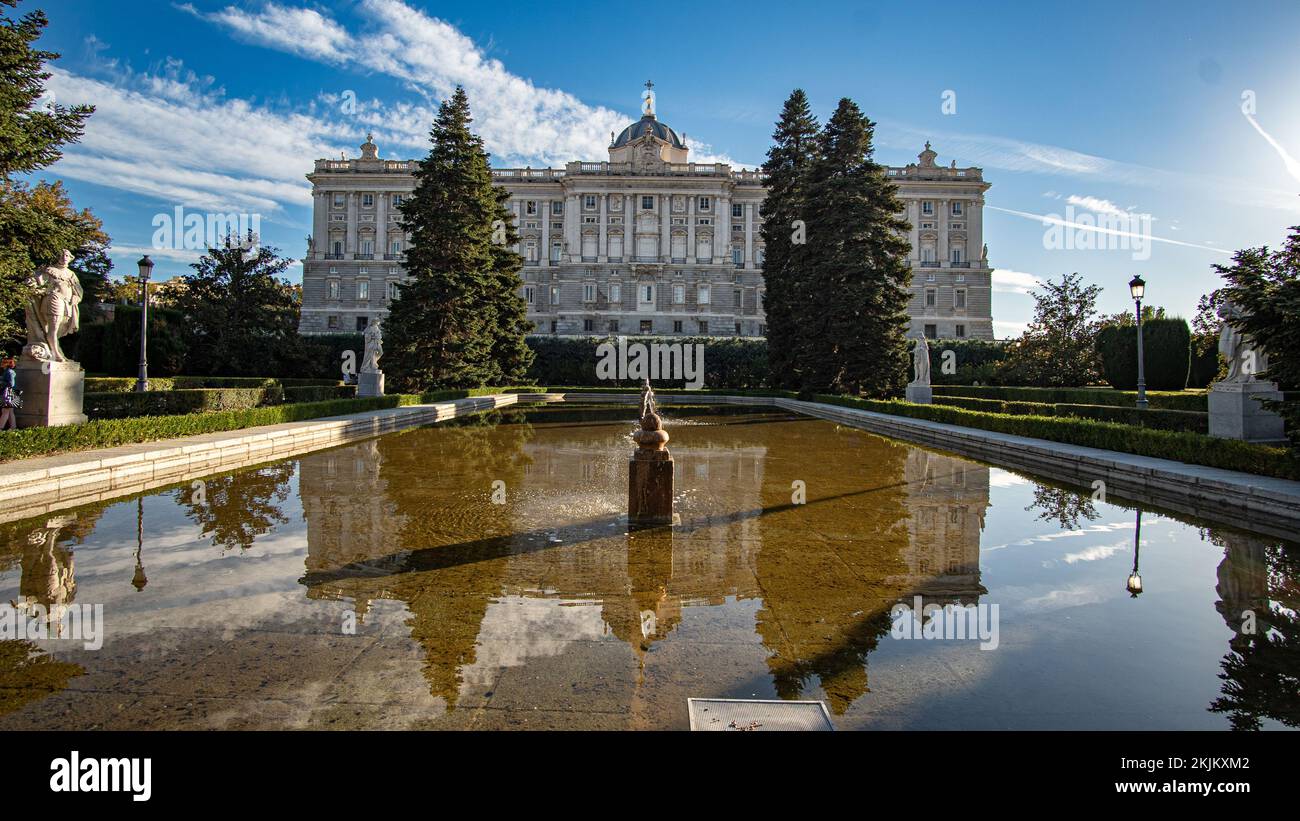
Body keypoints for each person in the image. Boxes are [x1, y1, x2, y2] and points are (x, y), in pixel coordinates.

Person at [1, 357, 19, 430]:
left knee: (5, 411)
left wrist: (1, 382)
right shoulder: (8, 371)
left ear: (7, 364)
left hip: (9, 392)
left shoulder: (9, 372)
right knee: (10, 411)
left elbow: (11, 384)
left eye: (3, 362)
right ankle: (13, 428)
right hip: (10, 392)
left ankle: (0, 427)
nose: (1, 363)